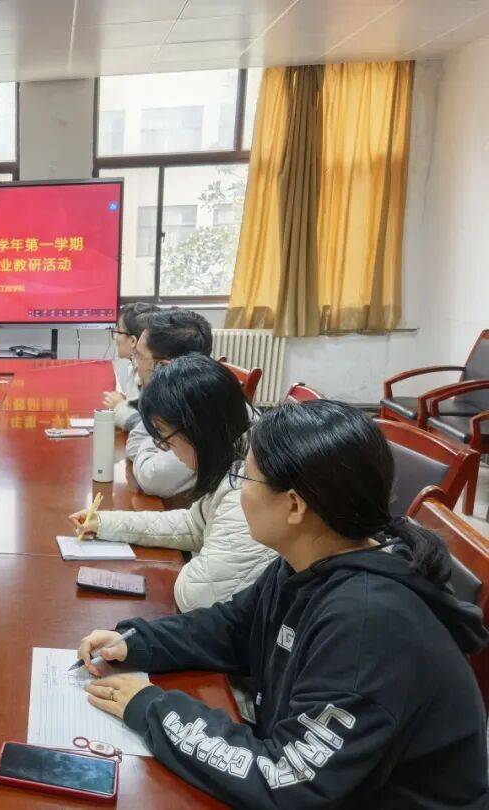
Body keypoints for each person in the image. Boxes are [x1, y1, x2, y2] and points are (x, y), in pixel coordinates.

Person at [76, 401, 488, 808]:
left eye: (245, 477)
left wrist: (153, 709)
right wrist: (138, 641)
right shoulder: (310, 560)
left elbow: (288, 779)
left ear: (294, 505)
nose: (238, 492)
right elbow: (233, 627)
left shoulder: (368, 624)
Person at [71, 355, 274, 611]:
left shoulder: (247, 488)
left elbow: (198, 596)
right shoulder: (236, 459)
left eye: (165, 438)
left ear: (199, 429)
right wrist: (105, 523)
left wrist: (189, 564)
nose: (165, 448)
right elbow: (193, 525)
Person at [127, 308, 214, 498]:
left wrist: (154, 439)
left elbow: (152, 477)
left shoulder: (202, 409)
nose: (136, 366)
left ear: (163, 366)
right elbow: (133, 443)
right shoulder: (177, 397)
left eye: (139, 356)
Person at [102, 302, 158, 432]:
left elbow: (150, 430)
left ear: (133, 341)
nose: (115, 338)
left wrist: (120, 407)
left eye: (118, 331)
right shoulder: (135, 367)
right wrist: (127, 402)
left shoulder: (152, 375)